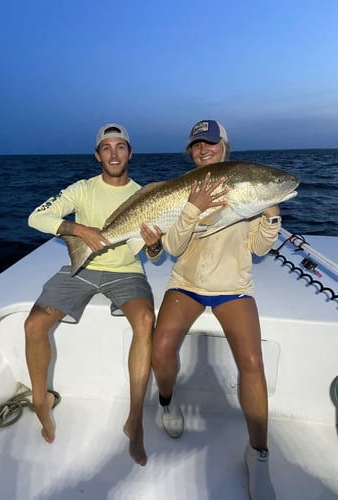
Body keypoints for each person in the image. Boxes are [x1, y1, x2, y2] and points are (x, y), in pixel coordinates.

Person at [151, 120, 279, 498]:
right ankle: (166, 403)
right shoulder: (181, 189)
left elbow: (258, 248)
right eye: (196, 145)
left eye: (210, 143)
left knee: (252, 363)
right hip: (186, 283)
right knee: (160, 348)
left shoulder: (243, 185)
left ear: (224, 145)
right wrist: (192, 208)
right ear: (190, 151)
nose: (203, 149)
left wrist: (270, 215)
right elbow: (172, 247)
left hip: (232, 287)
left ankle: (258, 454)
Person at [24, 123, 163, 467]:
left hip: (126, 271)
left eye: (120, 147)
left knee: (145, 320)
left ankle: (135, 419)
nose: (113, 153)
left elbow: (156, 256)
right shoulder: (82, 190)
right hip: (82, 269)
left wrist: (156, 245)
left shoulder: (145, 194)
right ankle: (41, 400)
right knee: (33, 325)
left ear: (130, 153)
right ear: (97, 155)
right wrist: (78, 229)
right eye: (106, 148)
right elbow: (36, 217)